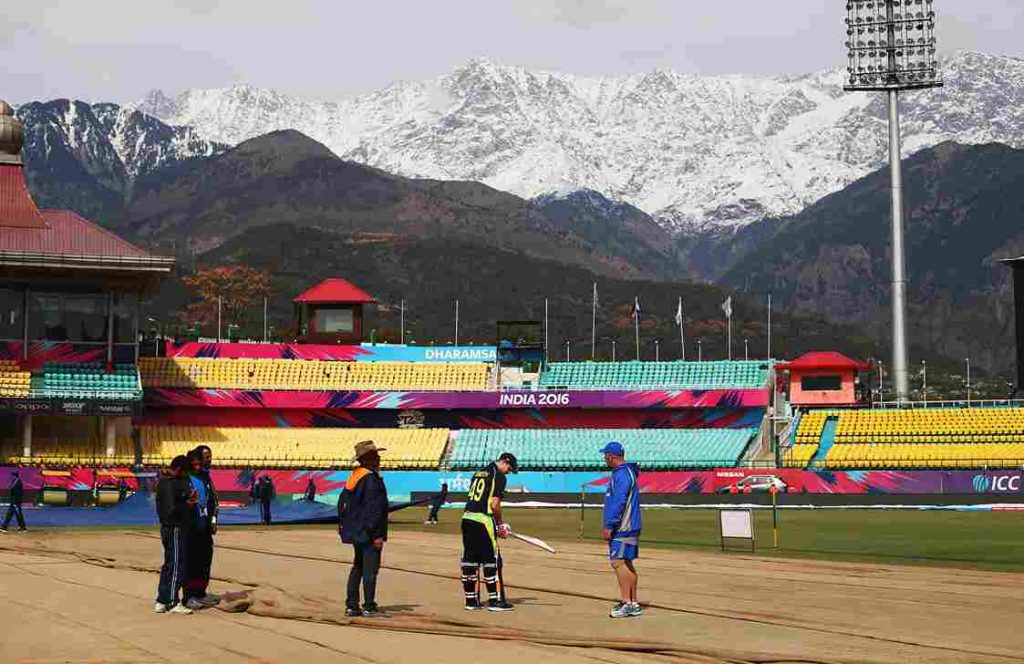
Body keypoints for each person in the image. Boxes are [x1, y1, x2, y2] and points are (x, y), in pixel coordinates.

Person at [460, 453, 517, 612]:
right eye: (509, 469)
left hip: (467, 518)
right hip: (483, 520)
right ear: (505, 463)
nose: (508, 472)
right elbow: (494, 503)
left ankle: (471, 601)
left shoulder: (479, 472)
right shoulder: (498, 476)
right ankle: (495, 601)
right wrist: (500, 524)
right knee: (491, 560)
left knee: (470, 561)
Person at [339, 440, 389, 617]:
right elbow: (374, 509)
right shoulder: (371, 479)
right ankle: (368, 606)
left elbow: (343, 504)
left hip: (356, 530)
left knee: (358, 567)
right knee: (370, 569)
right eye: (376, 455)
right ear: (369, 459)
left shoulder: (355, 476)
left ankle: (352, 605)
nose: (379, 458)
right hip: (368, 532)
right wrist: (377, 535)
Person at [600, 441, 643, 619]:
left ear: (611, 456)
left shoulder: (622, 474)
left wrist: (610, 524)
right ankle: (632, 602)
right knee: (626, 562)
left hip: (623, 526)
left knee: (618, 562)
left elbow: (619, 501)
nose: (604, 458)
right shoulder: (626, 473)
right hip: (629, 525)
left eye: (605, 455)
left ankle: (627, 603)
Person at [155, 455, 197, 614]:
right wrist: (189, 504)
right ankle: (172, 601)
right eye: (185, 472)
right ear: (179, 469)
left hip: (168, 528)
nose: (186, 475)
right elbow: (172, 510)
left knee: (169, 563)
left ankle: (162, 599)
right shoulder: (170, 484)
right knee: (176, 564)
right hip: (175, 528)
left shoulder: (164, 481)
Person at [183, 447, 219, 610]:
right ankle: (189, 596)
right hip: (191, 527)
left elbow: (213, 502)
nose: (209, 460)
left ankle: (200, 593)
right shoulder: (187, 478)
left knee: (205, 560)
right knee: (192, 561)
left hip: (205, 527)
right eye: (206, 457)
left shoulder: (206, 478)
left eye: (210, 457)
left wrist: (213, 520)